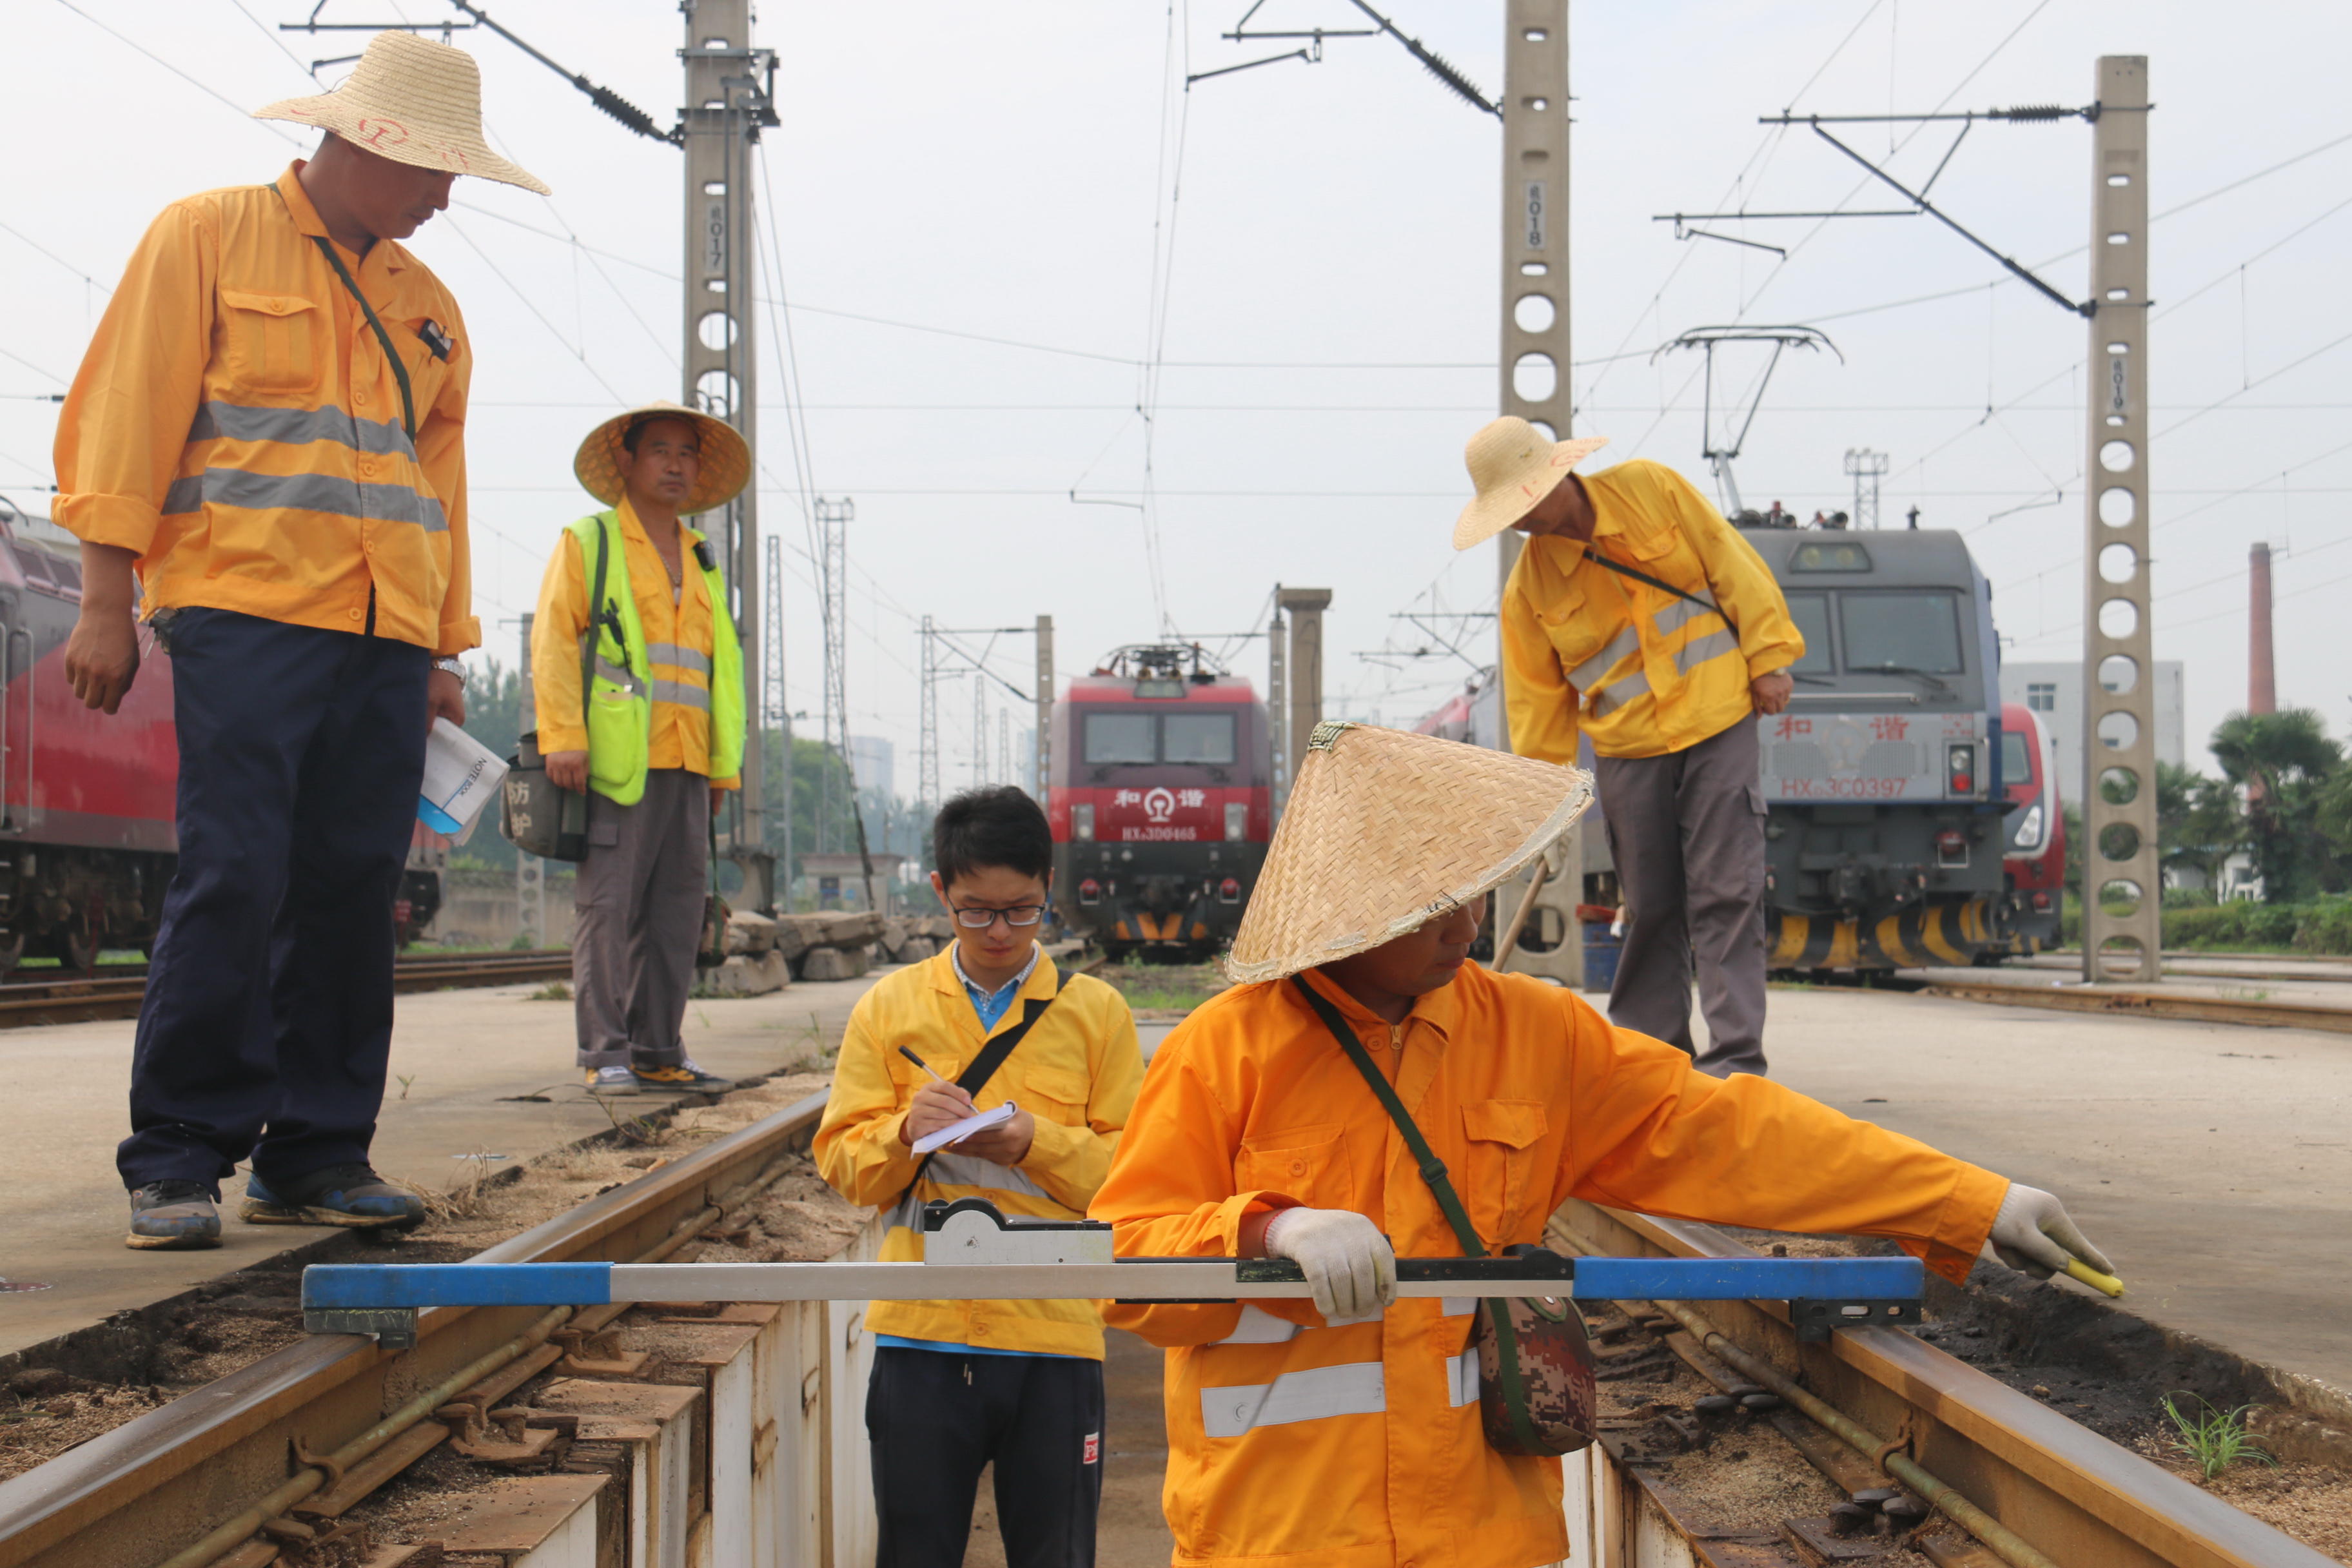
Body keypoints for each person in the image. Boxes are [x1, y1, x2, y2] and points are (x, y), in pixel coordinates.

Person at [1092, 722, 2113, 1568]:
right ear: (1356, 915)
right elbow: (1127, 1267)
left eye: (1474, 887)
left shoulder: (1533, 1034)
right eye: (1435, 904)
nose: (1469, 921)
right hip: (1278, 1542)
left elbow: (1730, 1132)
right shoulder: (1222, 1052)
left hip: (1485, 1542)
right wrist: (1272, 1230)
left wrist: (1967, 1201)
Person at [52, 32, 547, 1250]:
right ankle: (176, 1152)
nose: (445, 198)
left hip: (383, 637)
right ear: (372, 143)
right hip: (241, 609)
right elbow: (124, 417)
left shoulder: (431, 317)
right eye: (438, 173)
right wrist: (104, 597)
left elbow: (442, 497)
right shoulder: (208, 237)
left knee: (350, 887)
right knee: (236, 868)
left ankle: (317, 1150)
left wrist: (439, 653)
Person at [814, 786, 1145, 1568]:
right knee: (915, 1552)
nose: (1000, 931)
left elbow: (1135, 1175)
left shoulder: (1097, 1013)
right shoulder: (890, 1009)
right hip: (923, 1334)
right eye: (975, 910)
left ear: (1049, 887)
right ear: (939, 893)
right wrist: (903, 1131)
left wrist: (1036, 1140)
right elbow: (844, 1164)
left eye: (1022, 910)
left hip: (1056, 1336)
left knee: (1057, 1554)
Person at [1458, 416, 1804, 1077]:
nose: (1523, 521)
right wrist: (1546, 807)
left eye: (1525, 502)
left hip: (1717, 716)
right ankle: (1655, 1058)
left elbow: (1731, 562)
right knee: (1651, 902)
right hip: (1627, 750)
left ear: (1557, 475)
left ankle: (1736, 1060)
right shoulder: (1530, 590)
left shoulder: (1652, 490)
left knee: (1726, 890)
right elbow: (1536, 706)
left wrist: (1768, 656)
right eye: (1510, 513)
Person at [531, 404, 750, 1097]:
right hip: (617, 763)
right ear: (626, 462)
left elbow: (721, 671)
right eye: (661, 450)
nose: (677, 464)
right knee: (609, 907)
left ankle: (659, 1047)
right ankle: (606, 1052)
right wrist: (562, 736)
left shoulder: (702, 560)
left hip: (689, 762)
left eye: (687, 453)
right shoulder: (589, 542)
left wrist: (724, 764)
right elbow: (556, 643)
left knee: (677, 911)